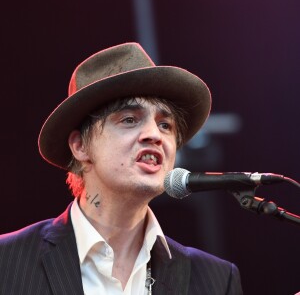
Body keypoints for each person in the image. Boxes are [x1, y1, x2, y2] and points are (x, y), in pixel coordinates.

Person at [0, 42, 243, 294]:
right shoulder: (7, 262)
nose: (154, 135)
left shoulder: (215, 280)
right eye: (129, 120)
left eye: (165, 125)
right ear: (80, 146)